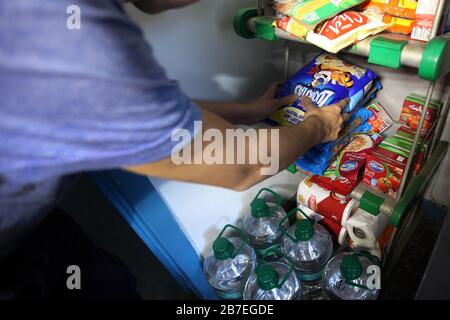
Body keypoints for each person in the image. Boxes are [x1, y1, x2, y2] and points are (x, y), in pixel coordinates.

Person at [0, 0, 347, 299]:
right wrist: (319, 127)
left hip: (27, 224)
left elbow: (138, 103)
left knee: (92, 274)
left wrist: (249, 111)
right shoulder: (74, 36)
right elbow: (246, 164)